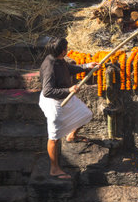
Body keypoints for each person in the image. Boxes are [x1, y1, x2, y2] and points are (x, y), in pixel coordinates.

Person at [39, 37, 99, 180]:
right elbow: (48, 91)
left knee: (86, 114)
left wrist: (85, 67)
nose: (67, 50)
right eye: (66, 48)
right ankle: (54, 168)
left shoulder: (58, 59)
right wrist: (69, 89)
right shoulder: (49, 66)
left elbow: (67, 69)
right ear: (62, 51)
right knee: (54, 138)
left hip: (67, 98)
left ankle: (71, 135)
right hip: (55, 103)